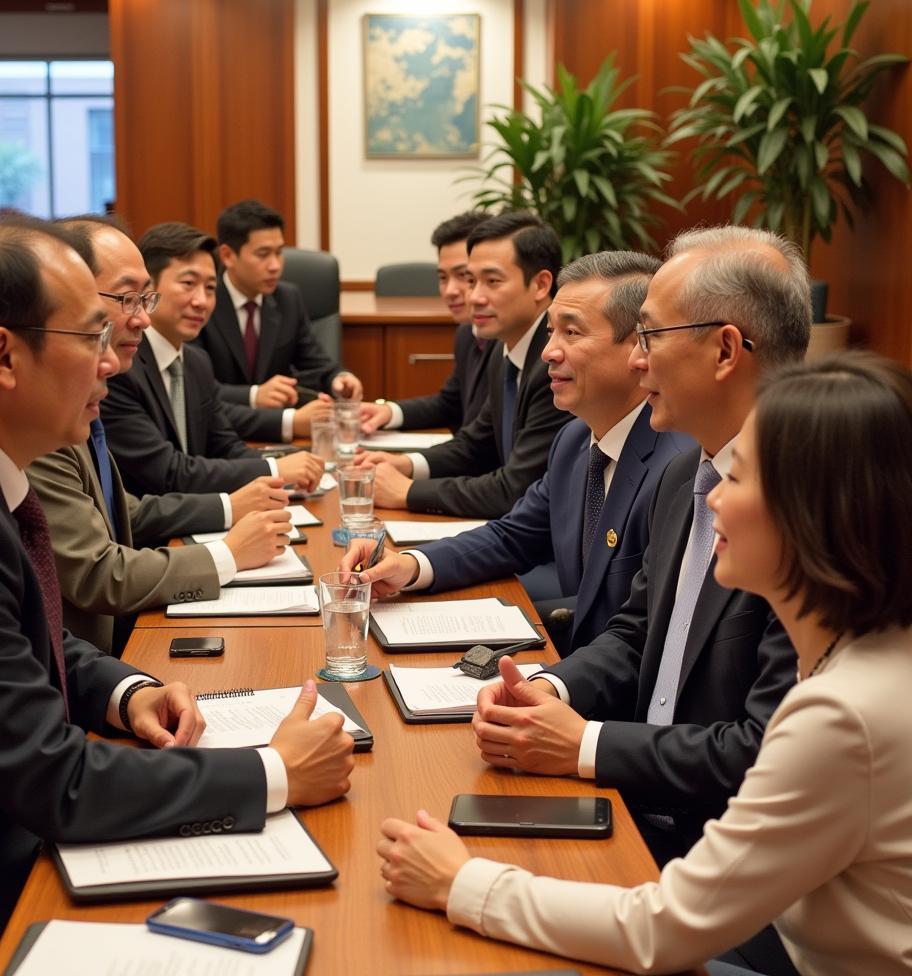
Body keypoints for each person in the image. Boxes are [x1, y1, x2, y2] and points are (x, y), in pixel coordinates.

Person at [0, 216, 354, 976]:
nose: (111, 364)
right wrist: (272, 772)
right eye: (91, 338)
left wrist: (123, 690)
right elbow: (55, 783)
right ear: (4, 355)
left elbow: (24, 630)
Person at [377, 351, 912, 976]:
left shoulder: (843, 713)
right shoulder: (866, 652)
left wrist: (461, 883)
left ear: (817, 513)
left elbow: (664, 930)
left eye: (739, 479)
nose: (714, 501)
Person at [469, 226, 810, 867]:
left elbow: (767, 748)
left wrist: (586, 745)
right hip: (639, 805)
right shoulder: (689, 474)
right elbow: (635, 631)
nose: (638, 360)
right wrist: (551, 690)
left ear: (724, 351)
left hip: (732, 855)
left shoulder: (808, 508)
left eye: (650, 336)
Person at [344, 251, 693, 655]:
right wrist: (411, 566)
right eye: (550, 333)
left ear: (637, 347)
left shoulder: (677, 466)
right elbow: (513, 536)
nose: (549, 352)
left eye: (572, 333)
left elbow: (640, 634)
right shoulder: (575, 441)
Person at [28, 215, 292, 654]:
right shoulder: (41, 420)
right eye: (127, 298)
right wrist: (226, 554)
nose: (143, 319)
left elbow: (121, 511)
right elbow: (97, 575)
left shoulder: (86, 395)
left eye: (143, 298)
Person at [356, 211, 570, 518]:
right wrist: (403, 464)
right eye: (472, 281)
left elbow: (516, 490)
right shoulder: (504, 348)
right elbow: (475, 445)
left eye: (492, 281)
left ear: (540, 284)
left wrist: (406, 491)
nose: (474, 297)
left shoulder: (556, 362)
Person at [101, 221, 324, 497]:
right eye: (188, 284)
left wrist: (283, 466)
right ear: (150, 289)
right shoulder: (120, 366)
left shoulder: (196, 362)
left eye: (209, 288)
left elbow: (226, 446)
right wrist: (274, 471)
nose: (201, 301)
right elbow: (169, 473)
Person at [199, 198, 362, 441]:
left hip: (277, 438)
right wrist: (254, 395)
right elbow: (197, 387)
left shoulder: (288, 298)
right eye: (263, 254)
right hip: (217, 433)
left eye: (279, 253)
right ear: (228, 256)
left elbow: (317, 363)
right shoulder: (201, 304)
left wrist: (339, 379)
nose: (275, 266)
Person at [360, 211, 494, 435]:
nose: (449, 291)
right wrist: (389, 411)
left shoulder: (507, 340)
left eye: (464, 276)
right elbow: (449, 403)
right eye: (443, 277)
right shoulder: (466, 333)